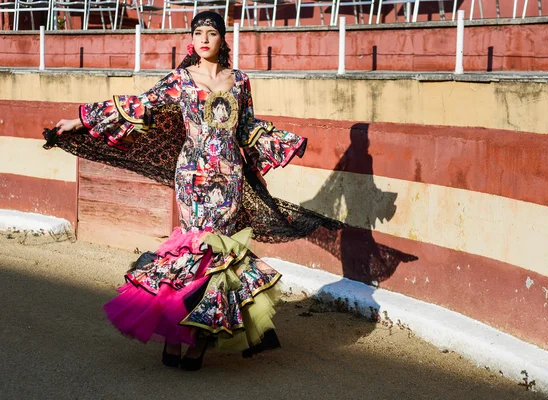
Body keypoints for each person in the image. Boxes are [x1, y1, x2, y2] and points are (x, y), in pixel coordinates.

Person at [46, 10, 339, 371]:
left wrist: (274, 148)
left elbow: (245, 128)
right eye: (198, 32)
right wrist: (80, 120)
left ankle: (199, 342)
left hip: (229, 177)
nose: (203, 38)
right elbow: (140, 105)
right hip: (193, 177)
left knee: (219, 259)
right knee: (192, 251)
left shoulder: (241, 81)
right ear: (192, 38)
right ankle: (174, 334)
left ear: (222, 39)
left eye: (211, 33)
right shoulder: (180, 79)